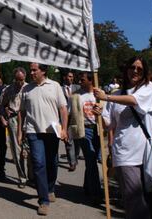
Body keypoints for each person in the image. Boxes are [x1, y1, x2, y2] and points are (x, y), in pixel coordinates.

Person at [96, 56, 152, 219]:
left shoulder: (148, 88)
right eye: (132, 67)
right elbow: (109, 125)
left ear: (144, 73)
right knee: (135, 201)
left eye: (139, 69)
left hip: (148, 154)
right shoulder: (117, 94)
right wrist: (99, 115)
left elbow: (133, 101)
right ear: (126, 69)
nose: (135, 71)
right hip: (125, 154)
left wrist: (106, 96)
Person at [18, 63, 69, 216]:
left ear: (43, 71)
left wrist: (64, 129)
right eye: (31, 70)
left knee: (52, 162)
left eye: (34, 70)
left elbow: (63, 109)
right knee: (39, 163)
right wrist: (20, 132)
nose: (31, 72)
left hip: (52, 132)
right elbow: (21, 112)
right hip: (33, 132)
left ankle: (50, 188)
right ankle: (43, 200)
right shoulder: (26, 89)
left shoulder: (55, 86)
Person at [69, 72, 102, 203]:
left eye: (82, 80)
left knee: (92, 160)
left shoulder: (99, 93)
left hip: (98, 129)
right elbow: (71, 113)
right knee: (91, 158)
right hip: (85, 129)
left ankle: (87, 186)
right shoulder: (76, 96)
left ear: (90, 80)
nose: (80, 81)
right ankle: (96, 193)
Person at [0, 67, 30, 188]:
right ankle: (22, 177)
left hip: (28, 119)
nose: (20, 82)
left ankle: (32, 176)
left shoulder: (29, 88)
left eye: (22, 79)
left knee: (30, 149)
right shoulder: (8, 90)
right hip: (14, 120)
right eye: (17, 80)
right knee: (17, 151)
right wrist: (3, 119)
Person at [61, 70, 81, 171]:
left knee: (77, 140)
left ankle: (76, 157)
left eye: (72, 76)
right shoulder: (59, 89)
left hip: (76, 117)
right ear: (65, 77)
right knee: (68, 141)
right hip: (66, 117)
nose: (71, 78)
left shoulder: (77, 88)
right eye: (69, 76)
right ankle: (72, 162)